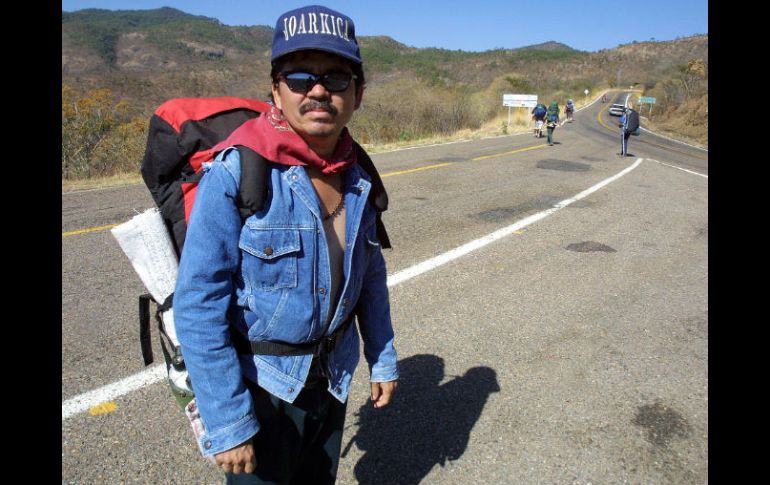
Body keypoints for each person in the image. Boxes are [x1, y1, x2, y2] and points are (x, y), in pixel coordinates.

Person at [173, 5, 399, 484]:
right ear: (276, 90)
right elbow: (198, 304)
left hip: (333, 380)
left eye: (337, 78)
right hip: (262, 387)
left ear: (357, 93)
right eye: (299, 76)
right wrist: (229, 422)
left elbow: (369, 277)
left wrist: (381, 357)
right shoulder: (238, 172)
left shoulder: (359, 176)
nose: (318, 90)